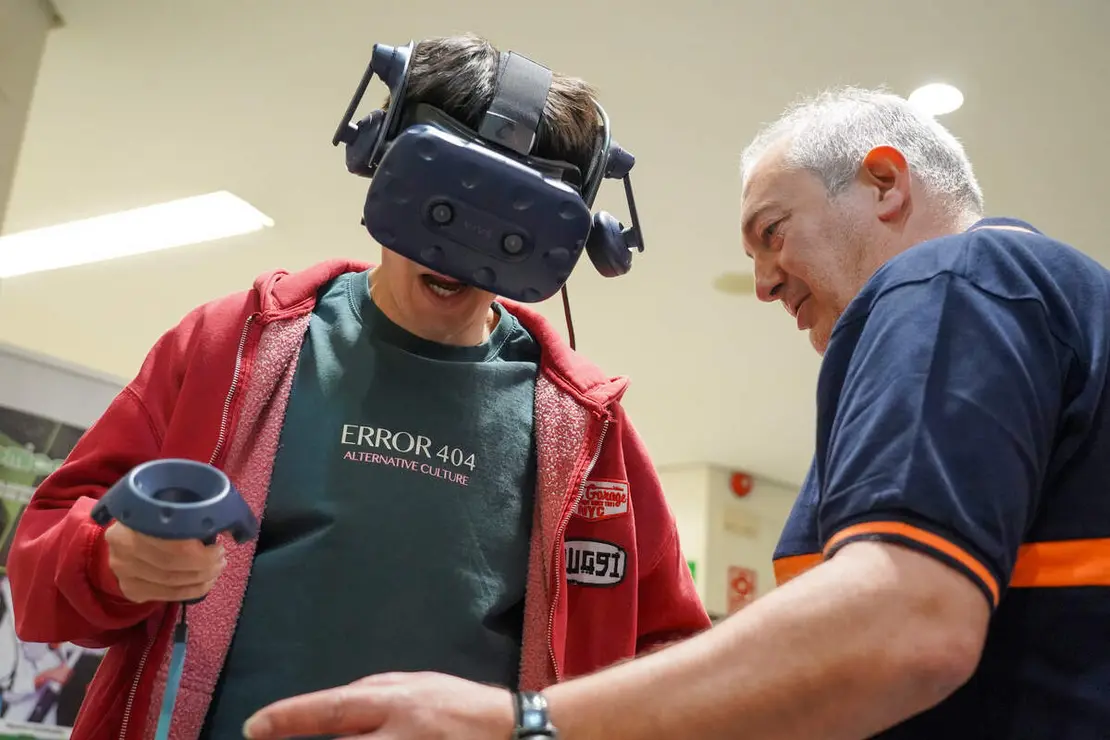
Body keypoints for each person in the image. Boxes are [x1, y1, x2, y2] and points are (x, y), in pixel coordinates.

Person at [237, 86, 1110, 740]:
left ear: (884, 182)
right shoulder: (1061, 306)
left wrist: (527, 722)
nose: (763, 282)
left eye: (773, 230)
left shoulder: (954, 278)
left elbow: (905, 622)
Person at [6, 34, 710, 740]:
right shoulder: (233, 350)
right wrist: (109, 558)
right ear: (381, 158)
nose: (464, 252)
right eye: (446, 200)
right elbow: (41, 569)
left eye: (510, 231)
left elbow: (678, 665)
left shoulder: (589, 431)